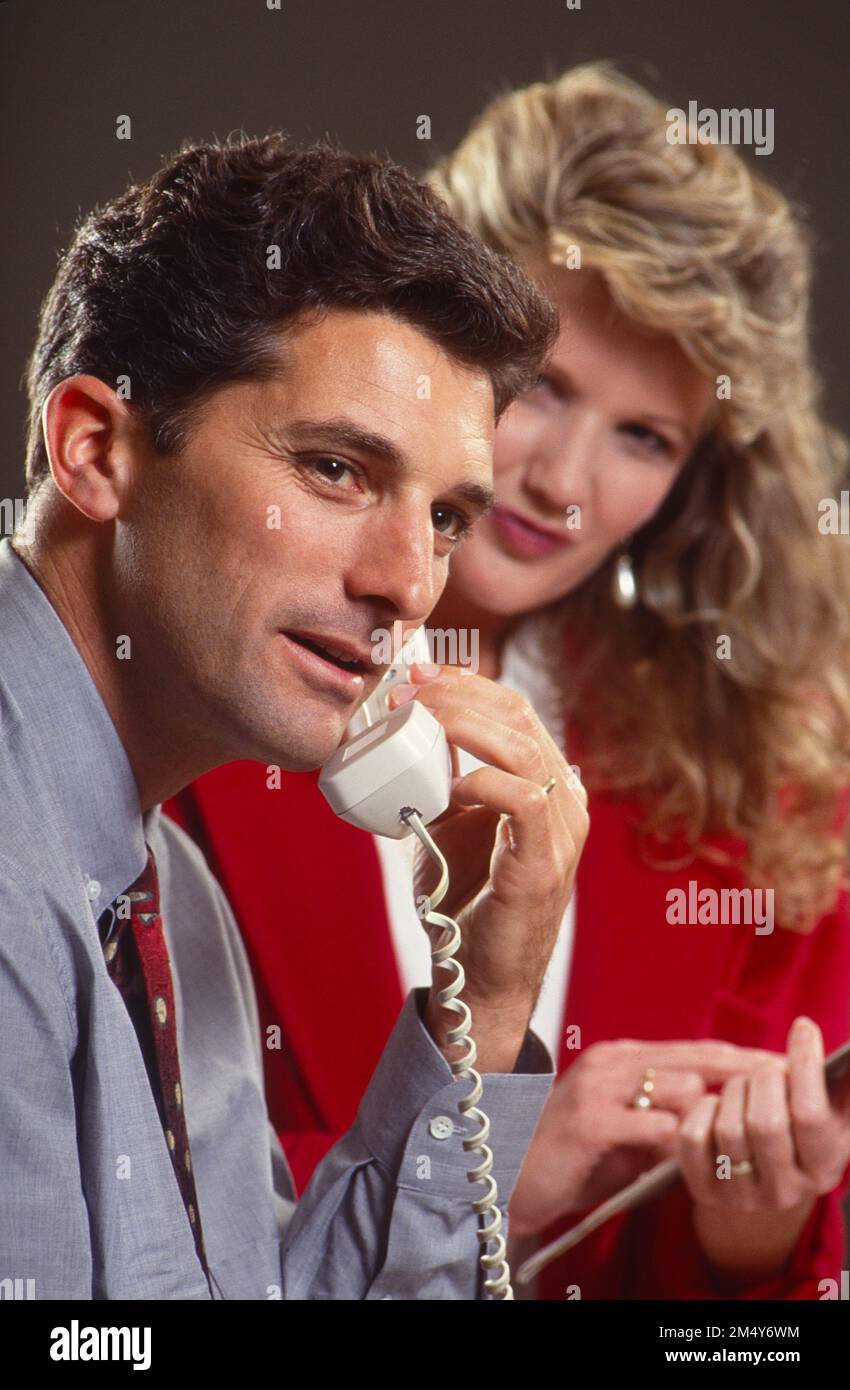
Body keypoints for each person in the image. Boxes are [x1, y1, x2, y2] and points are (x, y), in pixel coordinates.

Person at [167, 63, 850, 1300]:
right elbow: (102, 1193)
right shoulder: (196, 672)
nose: (565, 482)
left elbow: (755, 1294)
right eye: (539, 391)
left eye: (645, 437)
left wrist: (750, 1228)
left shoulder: (770, 791)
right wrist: (490, 1167)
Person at [0, 132, 593, 1300]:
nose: (407, 584)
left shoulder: (173, 900)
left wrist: (483, 993)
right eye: (336, 470)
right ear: (96, 448)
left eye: (442, 518)